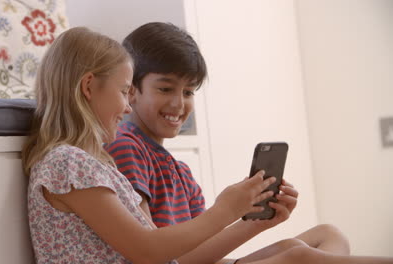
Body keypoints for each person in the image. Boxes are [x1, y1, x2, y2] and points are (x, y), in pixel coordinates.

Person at [106, 22, 393, 264]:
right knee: (298, 257)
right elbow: (153, 254)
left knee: (329, 235)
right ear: (131, 91)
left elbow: (204, 255)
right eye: (165, 88)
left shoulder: (180, 171)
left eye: (189, 91)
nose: (178, 103)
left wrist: (255, 221)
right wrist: (227, 211)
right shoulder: (126, 146)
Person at [21, 26, 279, 264]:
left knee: (295, 251)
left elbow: (165, 253)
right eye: (123, 91)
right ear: (88, 86)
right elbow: (148, 250)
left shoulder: (94, 166)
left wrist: (248, 218)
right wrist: (227, 209)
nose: (126, 105)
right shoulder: (67, 164)